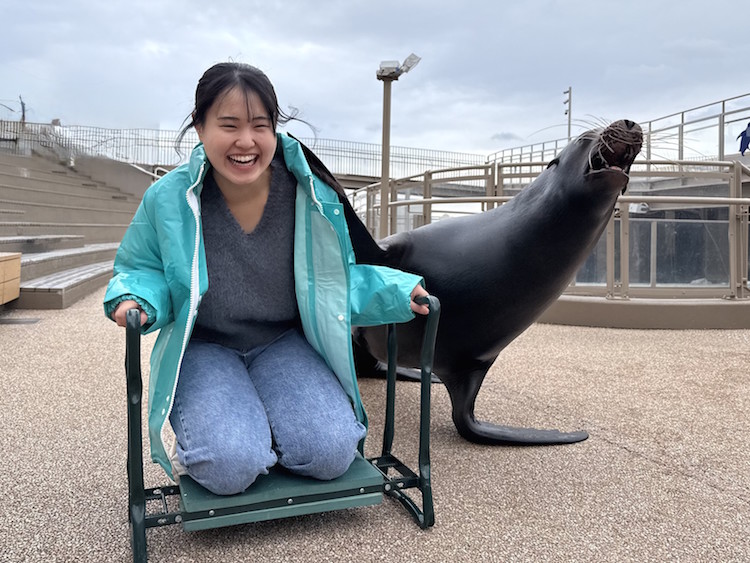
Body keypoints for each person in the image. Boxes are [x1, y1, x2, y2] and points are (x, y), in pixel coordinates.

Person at [104, 62, 430, 496]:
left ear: (275, 131)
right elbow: (141, 267)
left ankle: (260, 424)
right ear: (200, 128)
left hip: (282, 341)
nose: (246, 141)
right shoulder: (168, 197)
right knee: (227, 467)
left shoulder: (311, 195)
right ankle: (234, 433)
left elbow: (334, 280)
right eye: (229, 125)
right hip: (204, 345)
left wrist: (398, 290)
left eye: (261, 125)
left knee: (332, 453)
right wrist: (133, 298)